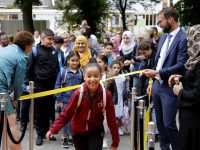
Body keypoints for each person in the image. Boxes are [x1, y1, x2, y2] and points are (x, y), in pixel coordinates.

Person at [46, 62, 120, 150]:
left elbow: (111, 119)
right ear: (84, 77)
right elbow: (66, 114)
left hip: (96, 130)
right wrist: (53, 129)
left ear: (101, 76)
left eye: (96, 76)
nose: (92, 79)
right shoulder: (78, 94)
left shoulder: (106, 95)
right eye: (89, 76)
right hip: (78, 131)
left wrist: (115, 140)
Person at [144, 7, 189, 150]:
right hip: (157, 85)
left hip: (170, 87)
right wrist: (152, 81)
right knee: (161, 125)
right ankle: (164, 148)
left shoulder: (183, 39)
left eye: (160, 21)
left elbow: (181, 65)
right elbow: (158, 62)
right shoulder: (162, 37)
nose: (158, 24)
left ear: (170, 19)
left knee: (169, 124)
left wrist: (157, 73)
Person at [24, 28, 60, 146]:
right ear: (42, 38)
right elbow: (28, 69)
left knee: (50, 111)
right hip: (39, 85)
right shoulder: (34, 51)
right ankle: (39, 134)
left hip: (52, 85)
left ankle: (46, 132)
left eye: (52, 39)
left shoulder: (54, 50)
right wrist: (28, 84)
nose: (51, 42)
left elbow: (56, 67)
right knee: (39, 111)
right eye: (49, 39)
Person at [0, 31, 34, 150]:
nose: (31, 49)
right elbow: (19, 83)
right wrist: (16, 98)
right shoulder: (22, 57)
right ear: (28, 45)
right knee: (11, 124)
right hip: (1, 89)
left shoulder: (4, 49)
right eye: (31, 46)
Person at [168, 25, 200, 150]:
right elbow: (194, 81)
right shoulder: (195, 59)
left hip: (194, 120)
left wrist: (180, 91)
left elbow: (197, 94)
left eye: (189, 38)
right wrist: (181, 78)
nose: (188, 42)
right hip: (190, 117)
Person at [54, 51, 84, 148]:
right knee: (66, 120)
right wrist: (59, 100)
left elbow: (84, 87)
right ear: (68, 60)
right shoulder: (63, 72)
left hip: (78, 101)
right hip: (66, 100)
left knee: (75, 119)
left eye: (77, 60)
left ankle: (72, 136)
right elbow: (58, 86)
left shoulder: (81, 72)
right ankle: (64, 137)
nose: (75, 63)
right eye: (72, 60)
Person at [96, 54, 118, 149]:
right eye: (96, 62)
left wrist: (113, 103)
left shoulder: (109, 75)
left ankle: (103, 138)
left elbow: (114, 91)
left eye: (100, 62)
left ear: (105, 64)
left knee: (104, 121)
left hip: (105, 102)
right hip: (95, 102)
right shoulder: (93, 73)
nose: (97, 64)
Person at [111, 60, 129, 136]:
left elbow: (124, 88)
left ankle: (119, 127)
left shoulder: (122, 77)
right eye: (114, 67)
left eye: (118, 68)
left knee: (119, 114)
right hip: (113, 98)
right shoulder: (109, 77)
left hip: (120, 97)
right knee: (113, 114)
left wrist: (125, 98)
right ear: (111, 68)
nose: (116, 69)